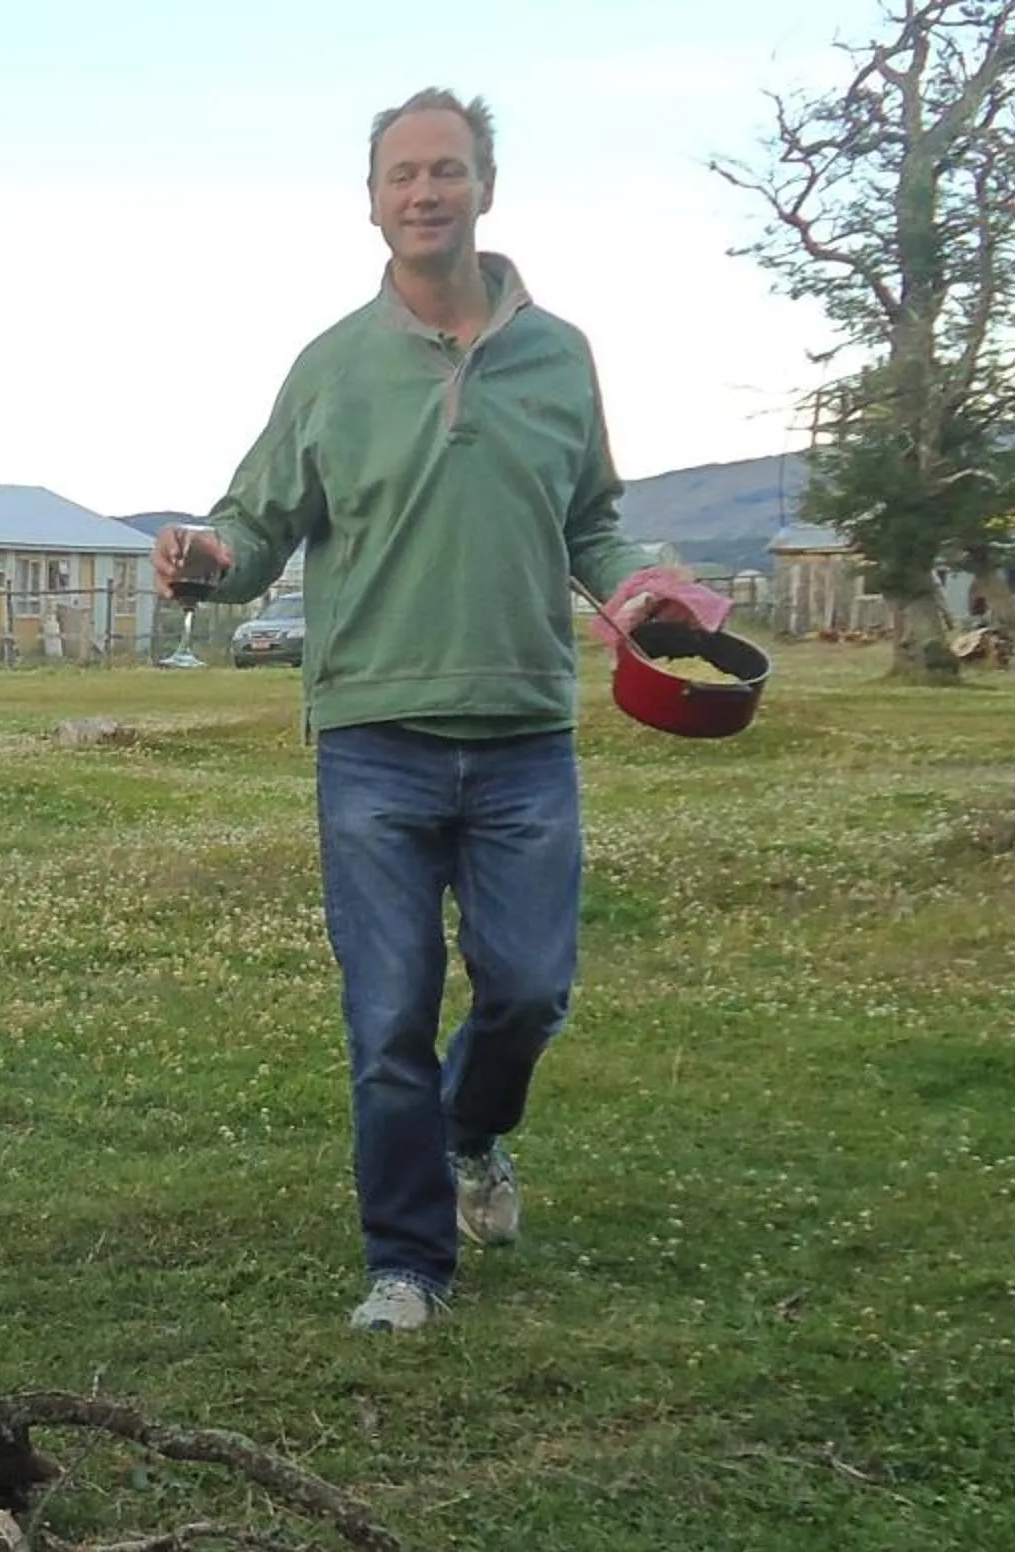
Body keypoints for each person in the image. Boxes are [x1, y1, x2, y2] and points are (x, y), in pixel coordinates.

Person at [153, 87, 697, 1334]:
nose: (425, 192)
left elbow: (593, 524)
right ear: (371, 202)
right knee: (387, 1015)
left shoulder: (561, 356)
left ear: (485, 188)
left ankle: (471, 1134)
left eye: (446, 169)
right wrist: (206, 560)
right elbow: (254, 525)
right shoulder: (331, 368)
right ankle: (406, 1264)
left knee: (529, 992)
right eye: (401, 174)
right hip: (375, 739)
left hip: (523, 733)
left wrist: (640, 588)